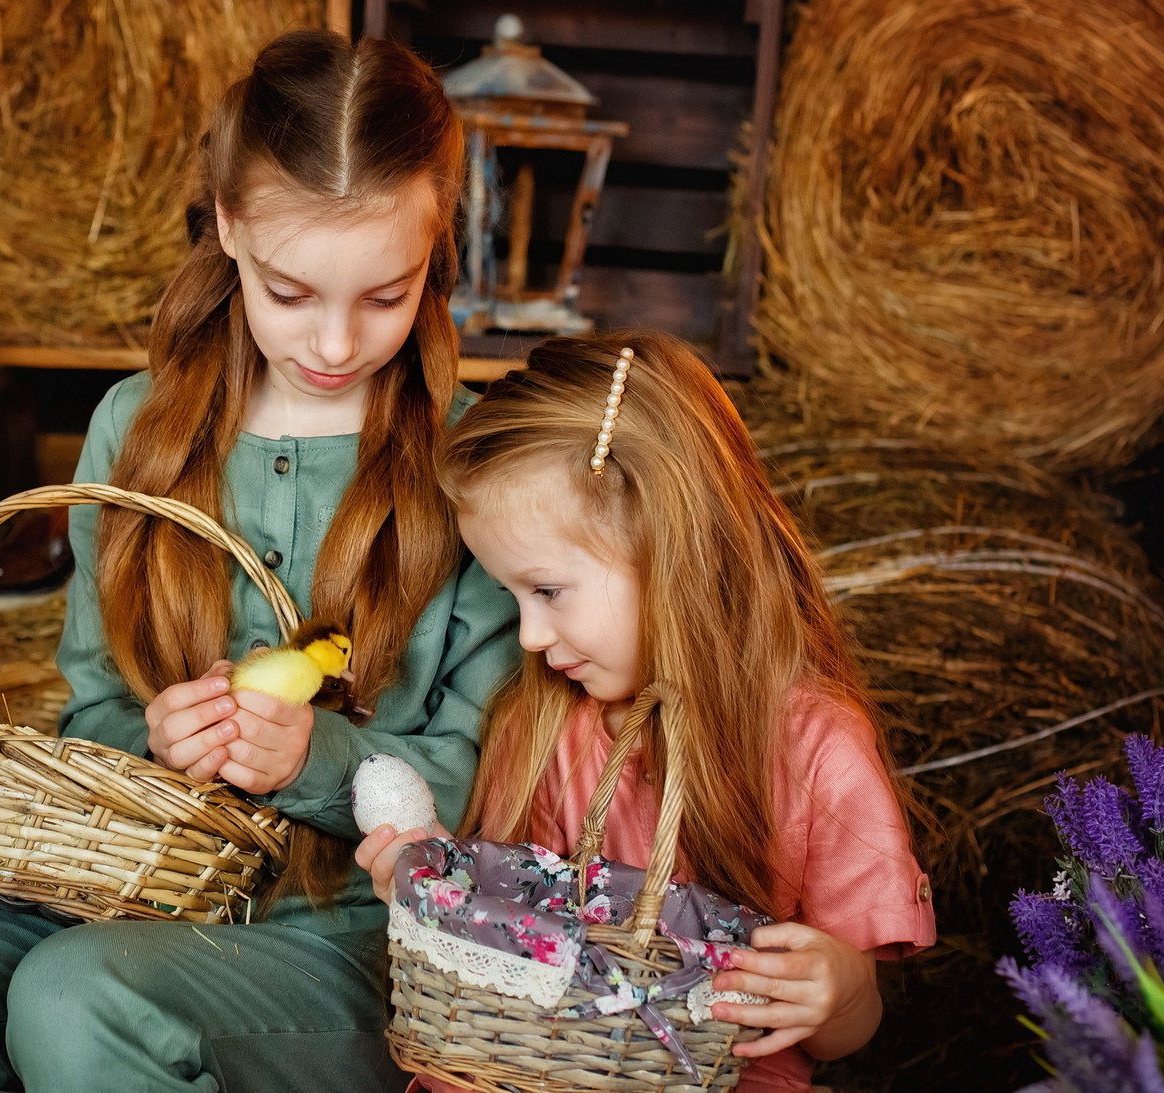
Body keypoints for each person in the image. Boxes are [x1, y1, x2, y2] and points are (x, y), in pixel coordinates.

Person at [0, 30, 521, 1093]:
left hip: (349, 940)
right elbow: (91, 704)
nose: (335, 343)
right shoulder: (134, 430)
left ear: (436, 247)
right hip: (127, 896)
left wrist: (312, 763)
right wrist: (154, 743)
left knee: (82, 995)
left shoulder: (472, 465)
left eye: (386, 295)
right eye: (291, 294)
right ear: (229, 228)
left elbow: (495, 779)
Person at [357, 331, 936, 1093]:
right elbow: (516, 937)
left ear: (671, 545)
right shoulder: (550, 729)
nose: (529, 636)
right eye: (512, 597)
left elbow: (842, 1036)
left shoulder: (814, 748)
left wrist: (842, 991)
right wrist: (443, 889)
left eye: (549, 590)